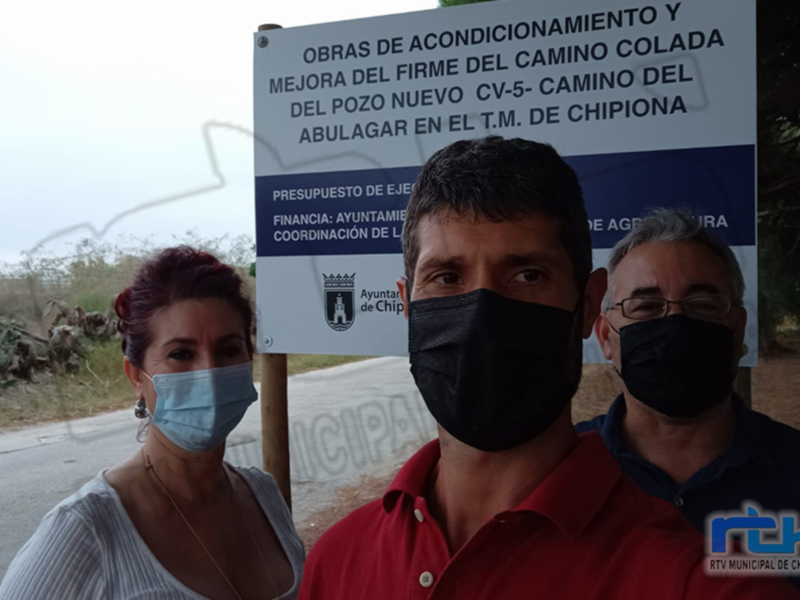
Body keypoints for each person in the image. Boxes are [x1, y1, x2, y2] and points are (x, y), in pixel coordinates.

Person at [298, 137, 798, 600]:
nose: (482, 311)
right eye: (447, 276)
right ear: (407, 304)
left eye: (528, 275)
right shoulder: (335, 559)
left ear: (588, 305)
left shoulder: (706, 585)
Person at [0, 247, 304, 600]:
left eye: (228, 349)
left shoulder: (263, 494)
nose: (210, 373)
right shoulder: (85, 528)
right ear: (136, 377)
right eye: (180, 354)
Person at [576, 209, 800, 573]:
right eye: (646, 306)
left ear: (738, 330)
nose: (676, 325)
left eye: (704, 305)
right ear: (606, 337)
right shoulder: (557, 474)